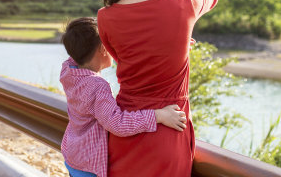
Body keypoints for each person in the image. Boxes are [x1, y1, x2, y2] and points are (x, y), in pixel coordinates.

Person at [92, 0, 226, 177]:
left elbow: (125, 58)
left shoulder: (105, 18)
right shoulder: (184, 3)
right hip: (170, 128)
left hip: (126, 129)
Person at [60, 17, 188, 177]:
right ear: (103, 48)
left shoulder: (68, 70)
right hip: (89, 167)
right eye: (112, 43)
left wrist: (175, 47)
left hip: (73, 155)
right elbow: (116, 123)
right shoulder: (97, 86)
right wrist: (158, 115)